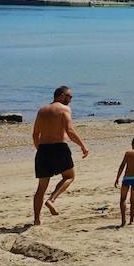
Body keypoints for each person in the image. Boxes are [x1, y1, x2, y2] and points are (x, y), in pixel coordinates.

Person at [32, 86, 90, 225]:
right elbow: (69, 130)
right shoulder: (65, 109)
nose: (70, 100)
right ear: (62, 96)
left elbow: (35, 134)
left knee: (41, 188)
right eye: (70, 97)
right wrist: (83, 146)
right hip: (59, 148)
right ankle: (51, 200)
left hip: (43, 150)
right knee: (69, 176)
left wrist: (39, 149)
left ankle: (36, 219)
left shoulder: (42, 110)